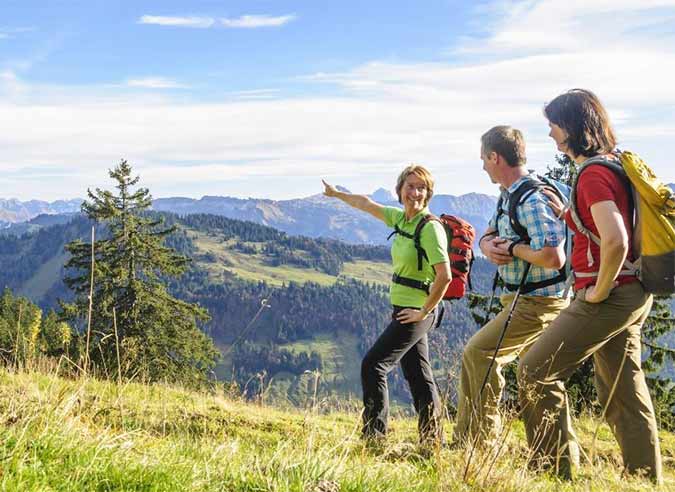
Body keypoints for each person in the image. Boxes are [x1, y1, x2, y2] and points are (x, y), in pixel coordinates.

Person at [518, 89, 662, 482]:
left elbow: (615, 239)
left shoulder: (593, 174)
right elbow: (605, 228)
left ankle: (553, 472)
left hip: (609, 296)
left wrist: (598, 291)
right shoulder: (611, 165)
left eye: (554, 125)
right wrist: (569, 214)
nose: (550, 134)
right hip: (634, 290)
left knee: (534, 371)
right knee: (623, 391)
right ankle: (644, 479)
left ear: (574, 127)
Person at [452, 126, 571, 451]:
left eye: (483, 159)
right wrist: (488, 244)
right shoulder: (510, 194)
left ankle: (475, 444)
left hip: (538, 303)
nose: (482, 167)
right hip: (523, 301)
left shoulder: (530, 199)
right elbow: (490, 233)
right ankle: (556, 455)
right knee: (538, 374)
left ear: (495, 156)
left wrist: (515, 249)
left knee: (479, 354)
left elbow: (553, 256)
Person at [322, 164, 451, 446]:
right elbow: (366, 204)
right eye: (410, 186)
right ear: (400, 190)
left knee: (373, 365)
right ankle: (432, 440)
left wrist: (424, 312)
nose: (415, 192)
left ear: (428, 193)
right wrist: (336, 194)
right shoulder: (401, 219)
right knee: (418, 374)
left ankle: (374, 437)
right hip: (405, 309)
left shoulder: (429, 228)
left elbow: (445, 276)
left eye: (421, 188)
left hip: (417, 311)